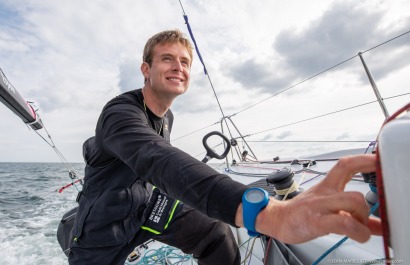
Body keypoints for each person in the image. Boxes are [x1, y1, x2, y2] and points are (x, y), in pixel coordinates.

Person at [63, 29, 381, 265]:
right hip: (104, 224)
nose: (178, 67)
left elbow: (162, 164)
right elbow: (154, 157)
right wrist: (266, 215)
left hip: (148, 208)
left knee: (214, 232)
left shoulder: (166, 115)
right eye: (167, 59)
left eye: (184, 62)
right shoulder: (119, 113)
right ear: (146, 69)